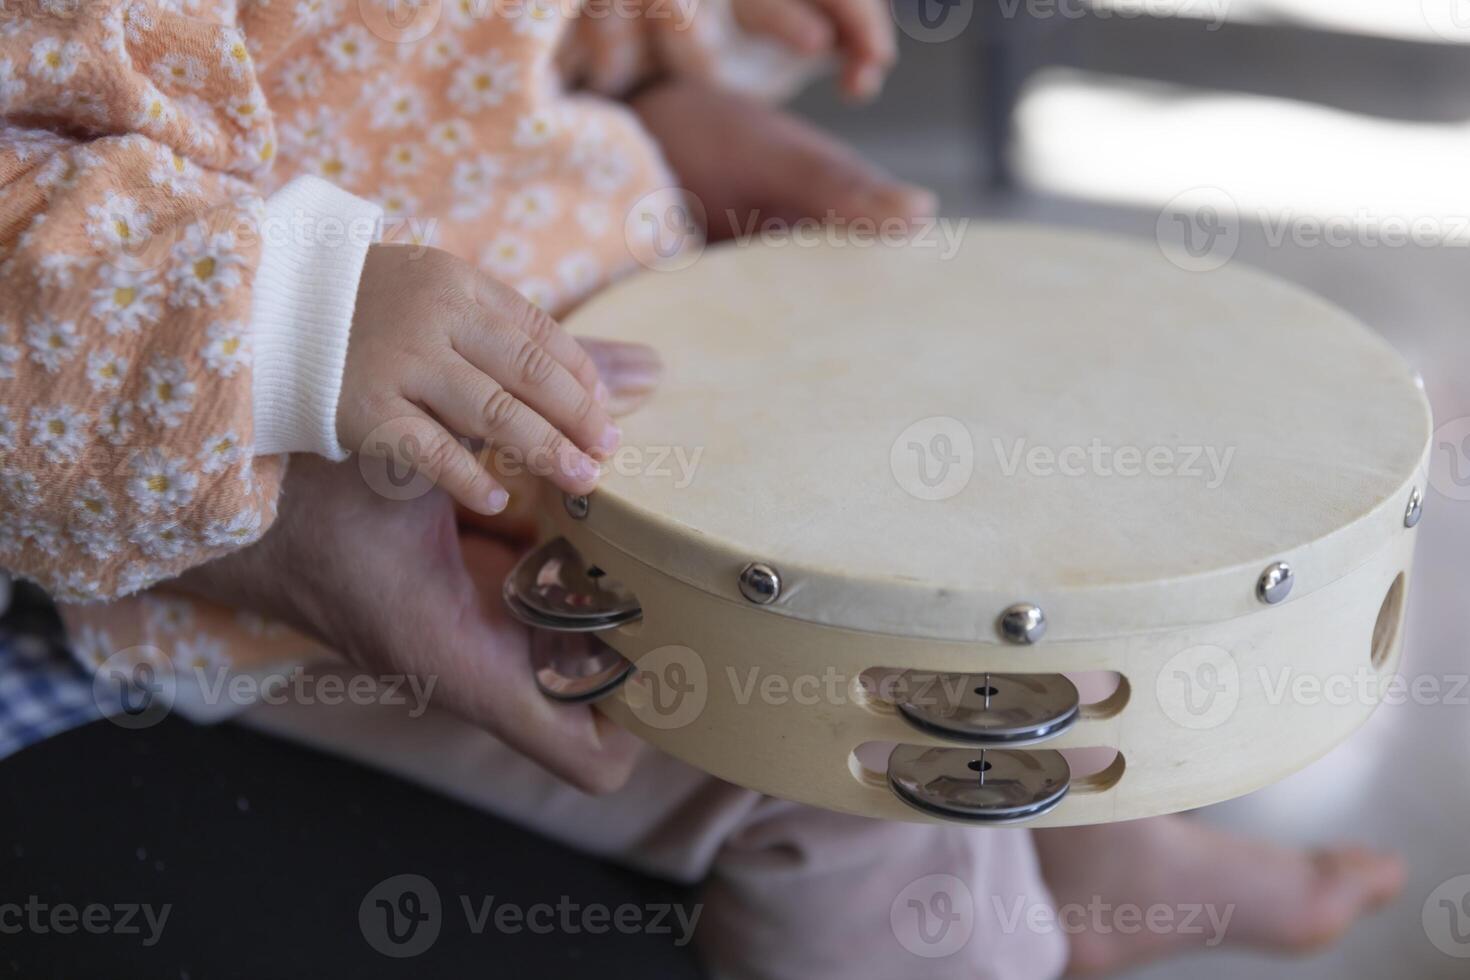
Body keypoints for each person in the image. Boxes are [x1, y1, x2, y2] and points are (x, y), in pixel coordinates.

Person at [0, 0, 1403, 975]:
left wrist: (690, 36)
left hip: (616, 343)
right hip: (272, 521)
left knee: (949, 572)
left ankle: (1099, 862)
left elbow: (516, 43)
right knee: (830, 750)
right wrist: (295, 329)